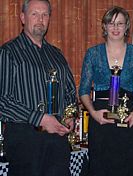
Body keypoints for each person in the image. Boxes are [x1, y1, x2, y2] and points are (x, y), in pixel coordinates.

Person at [0, 0, 77, 175]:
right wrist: (41, 119)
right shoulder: (8, 52)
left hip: (58, 139)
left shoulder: (57, 55)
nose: (40, 19)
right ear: (22, 17)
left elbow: (71, 93)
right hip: (25, 139)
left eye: (44, 15)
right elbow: (2, 101)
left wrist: (69, 116)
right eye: (34, 14)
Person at [78, 6, 133, 176]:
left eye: (120, 23)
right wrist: (93, 113)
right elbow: (83, 91)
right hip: (101, 120)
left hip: (129, 121)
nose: (116, 28)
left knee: (130, 167)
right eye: (111, 23)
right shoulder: (93, 54)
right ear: (104, 27)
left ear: (127, 26)